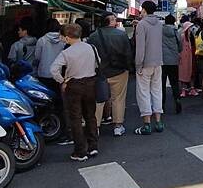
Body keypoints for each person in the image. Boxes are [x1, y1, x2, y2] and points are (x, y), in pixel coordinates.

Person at [50, 23, 99, 162]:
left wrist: (62, 81)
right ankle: (93, 146)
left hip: (74, 85)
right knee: (90, 116)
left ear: (67, 37)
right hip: (90, 83)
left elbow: (53, 69)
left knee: (75, 118)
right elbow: (98, 62)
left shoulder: (66, 53)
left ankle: (80, 151)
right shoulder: (91, 47)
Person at [88, 12, 133, 137]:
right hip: (119, 71)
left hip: (100, 73)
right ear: (110, 21)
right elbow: (128, 53)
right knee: (118, 98)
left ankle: (96, 127)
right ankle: (118, 126)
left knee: (99, 99)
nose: (115, 20)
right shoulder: (121, 35)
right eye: (114, 19)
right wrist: (129, 67)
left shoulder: (93, 36)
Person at [134, 0, 165, 135]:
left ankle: (147, 124)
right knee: (157, 92)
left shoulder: (141, 24)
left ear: (144, 10)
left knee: (143, 93)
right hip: (158, 62)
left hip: (145, 63)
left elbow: (140, 48)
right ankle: (158, 122)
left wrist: (138, 65)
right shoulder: (159, 23)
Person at [34, 18, 65, 92]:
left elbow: (37, 57)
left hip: (43, 73)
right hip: (58, 73)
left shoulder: (42, 40)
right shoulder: (63, 41)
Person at [162, 14, 183, 114]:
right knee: (174, 83)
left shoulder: (160, 31)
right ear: (174, 21)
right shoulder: (176, 31)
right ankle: (177, 100)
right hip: (173, 61)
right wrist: (177, 51)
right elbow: (180, 45)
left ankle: (161, 104)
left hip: (162, 60)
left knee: (161, 84)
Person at [178, 20, 199, 97]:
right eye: (190, 27)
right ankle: (183, 89)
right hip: (184, 58)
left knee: (191, 72)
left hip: (191, 57)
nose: (191, 28)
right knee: (184, 73)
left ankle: (191, 89)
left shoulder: (191, 36)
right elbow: (179, 47)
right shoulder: (183, 36)